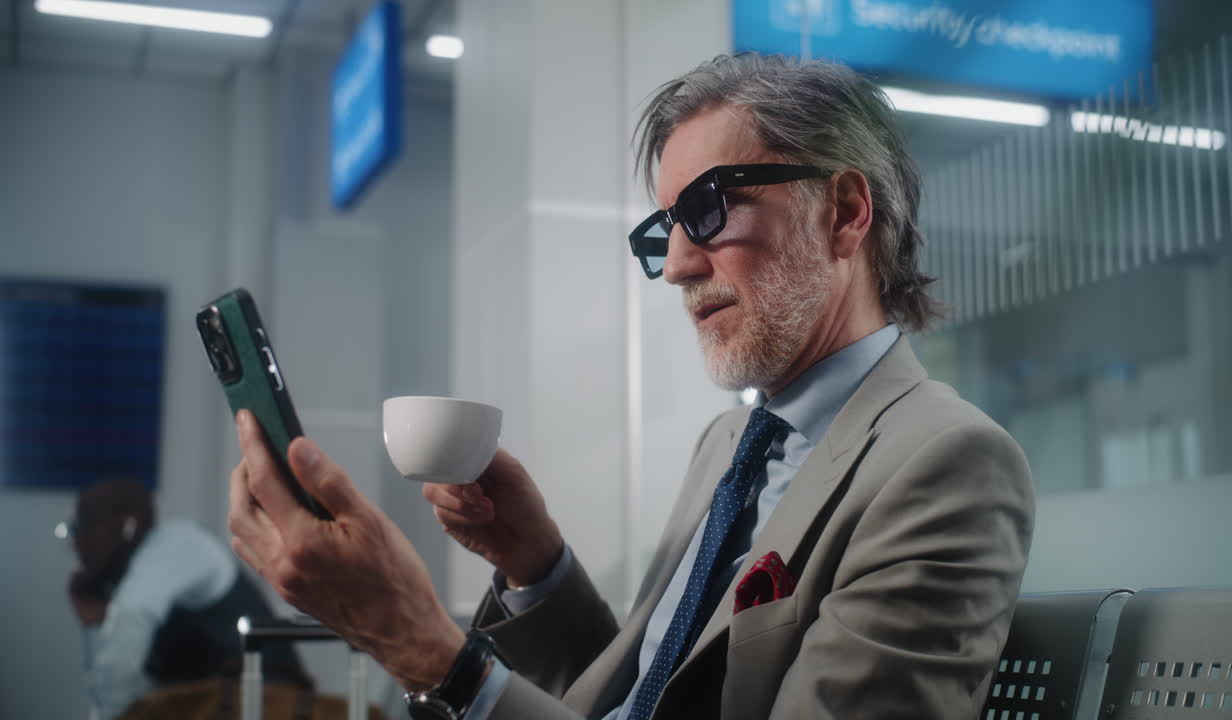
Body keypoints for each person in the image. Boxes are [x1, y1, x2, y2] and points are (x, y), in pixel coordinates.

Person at [228, 53, 1035, 720]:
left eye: (711, 208)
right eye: (667, 230)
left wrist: (433, 655)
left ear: (845, 211)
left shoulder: (947, 464)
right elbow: (650, 697)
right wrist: (536, 565)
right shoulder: (732, 443)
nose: (679, 265)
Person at [67, 476, 307, 719]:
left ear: (128, 526)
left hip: (268, 703)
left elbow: (129, 627)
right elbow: (116, 681)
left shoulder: (177, 546)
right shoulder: (128, 578)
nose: (74, 542)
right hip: (216, 705)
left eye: (82, 527)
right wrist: (94, 623)